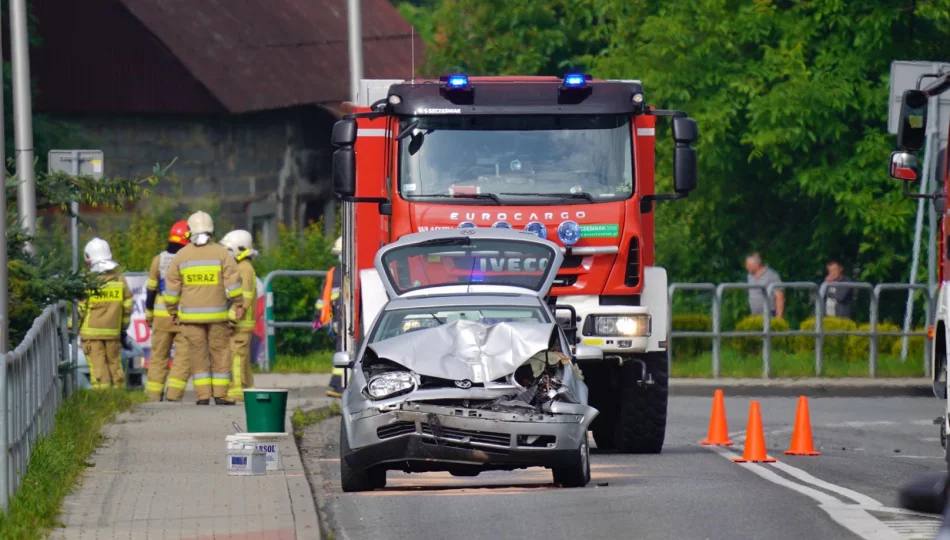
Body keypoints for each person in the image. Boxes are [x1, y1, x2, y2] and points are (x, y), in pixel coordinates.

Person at [164, 211, 244, 405]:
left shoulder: (181, 255)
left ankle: (202, 396)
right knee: (220, 353)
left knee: (197, 355)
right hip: (217, 316)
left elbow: (172, 286)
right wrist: (238, 303)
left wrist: (172, 311)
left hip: (191, 319)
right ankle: (220, 394)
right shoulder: (221, 253)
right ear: (211, 230)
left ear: (190, 231)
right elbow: (233, 281)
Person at [143, 221, 191, 402]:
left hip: (161, 316)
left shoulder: (159, 259)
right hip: (183, 315)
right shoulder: (189, 259)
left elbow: (151, 289)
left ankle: (153, 396)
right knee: (183, 357)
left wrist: (149, 313)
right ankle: (173, 395)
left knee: (158, 357)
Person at [78, 238, 133, 389]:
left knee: (99, 370)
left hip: (91, 335)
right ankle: (119, 400)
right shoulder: (120, 280)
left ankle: (104, 401)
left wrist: (71, 327)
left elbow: (80, 309)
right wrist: (122, 327)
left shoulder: (88, 282)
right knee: (115, 367)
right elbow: (127, 307)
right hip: (113, 333)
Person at [219, 229, 258, 403]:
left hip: (240, 323)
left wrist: (232, 319)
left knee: (235, 357)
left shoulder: (244, 270)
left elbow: (244, 299)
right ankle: (248, 388)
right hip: (243, 323)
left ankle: (236, 391)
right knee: (242, 358)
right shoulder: (243, 268)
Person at [315, 236, 344, 397]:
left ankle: (337, 384)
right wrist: (318, 317)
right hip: (337, 319)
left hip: (340, 318)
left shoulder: (339, 272)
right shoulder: (334, 273)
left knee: (342, 350)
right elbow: (324, 298)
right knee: (341, 350)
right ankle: (337, 385)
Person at [745, 252, 785, 318]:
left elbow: (779, 297)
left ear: (756, 264)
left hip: (769, 314)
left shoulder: (771, 275)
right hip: (754, 315)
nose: (746, 267)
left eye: (748, 265)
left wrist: (779, 317)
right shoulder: (749, 276)